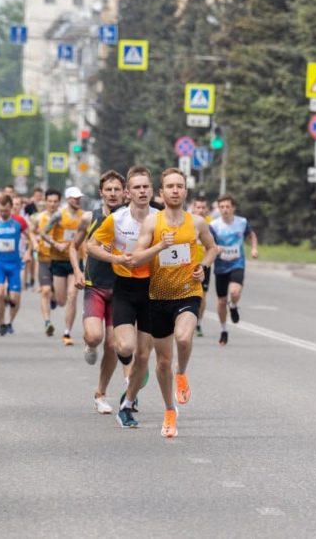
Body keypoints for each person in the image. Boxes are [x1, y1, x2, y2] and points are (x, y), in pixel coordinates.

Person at [130, 168, 219, 438]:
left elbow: (213, 247)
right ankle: (169, 411)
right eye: (170, 186)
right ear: (162, 192)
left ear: (185, 191)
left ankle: (183, 373)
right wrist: (159, 246)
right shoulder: (152, 224)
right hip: (158, 297)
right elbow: (135, 258)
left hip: (187, 292)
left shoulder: (198, 222)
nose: (175, 190)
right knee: (161, 362)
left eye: (180, 186)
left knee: (183, 337)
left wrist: (203, 265)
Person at [85, 166, 157, 429]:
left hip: (152, 289)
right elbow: (90, 246)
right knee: (124, 347)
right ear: (129, 193)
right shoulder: (117, 219)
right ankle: (127, 383)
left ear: (151, 190)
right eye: (136, 187)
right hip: (124, 288)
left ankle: (127, 405)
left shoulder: (160, 218)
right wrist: (115, 257)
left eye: (145, 187)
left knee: (144, 356)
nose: (141, 191)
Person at [70, 170, 125, 415]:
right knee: (94, 337)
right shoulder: (89, 218)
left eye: (117, 190)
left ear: (124, 193)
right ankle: (89, 346)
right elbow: (73, 247)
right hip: (95, 286)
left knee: (113, 345)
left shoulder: (130, 219)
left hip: (122, 288)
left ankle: (101, 393)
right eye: (108, 190)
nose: (113, 194)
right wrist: (78, 272)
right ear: (101, 192)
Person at [211, 194, 259, 346]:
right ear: (219, 209)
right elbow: (208, 243)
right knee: (221, 301)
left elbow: (251, 236)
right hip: (220, 265)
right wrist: (214, 249)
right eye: (222, 207)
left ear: (233, 208)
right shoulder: (214, 225)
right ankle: (224, 329)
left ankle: (233, 306)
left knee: (235, 292)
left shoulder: (242, 222)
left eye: (228, 207)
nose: (225, 210)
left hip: (237, 263)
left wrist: (254, 249)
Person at [0, 194, 31, 336]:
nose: (3, 213)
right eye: (1, 211)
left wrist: (28, 252)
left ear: (11, 208)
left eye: (6, 211)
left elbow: (31, 237)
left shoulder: (19, 222)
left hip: (15, 265)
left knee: (15, 298)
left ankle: (10, 322)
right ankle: (1, 324)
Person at [46, 187, 84, 346]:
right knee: (61, 300)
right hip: (58, 260)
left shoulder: (84, 216)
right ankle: (54, 297)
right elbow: (43, 233)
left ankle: (67, 331)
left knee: (73, 295)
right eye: (74, 198)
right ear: (68, 199)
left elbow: (87, 237)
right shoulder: (59, 214)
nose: (77, 200)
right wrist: (55, 244)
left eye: (79, 198)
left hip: (75, 260)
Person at [32, 189, 61, 337]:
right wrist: (34, 243)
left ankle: (55, 298)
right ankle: (47, 322)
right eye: (50, 201)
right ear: (45, 201)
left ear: (59, 202)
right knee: (45, 291)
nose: (52, 204)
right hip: (43, 258)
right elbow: (32, 231)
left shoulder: (63, 218)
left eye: (55, 201)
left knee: (57, 295)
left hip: (59, 260)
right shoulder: (39, 217)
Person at [190, 195, 212, 338]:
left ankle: (198, 323)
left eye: (203, 207)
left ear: (207, 209)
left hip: (204, 264)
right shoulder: (187, 221)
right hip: (188, 263)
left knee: (202, 296)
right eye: (198, 207)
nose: (201, 210)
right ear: (193, 208)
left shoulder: (211, 223)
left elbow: (215, 243)